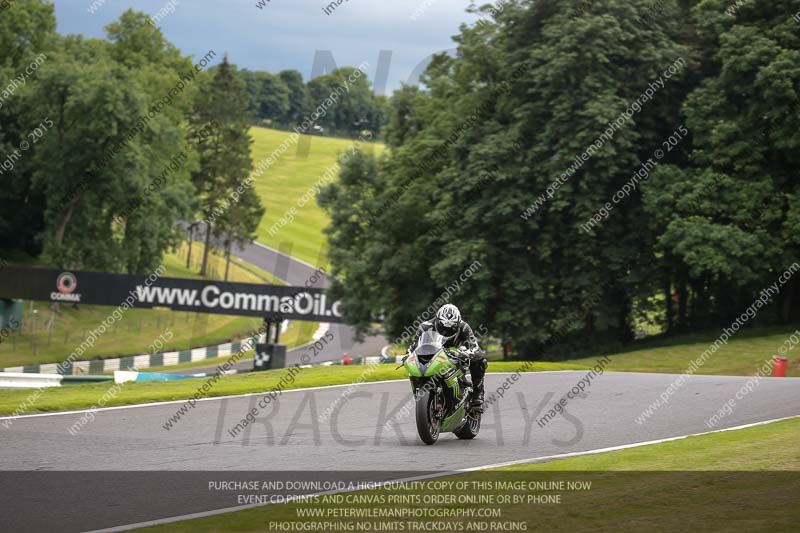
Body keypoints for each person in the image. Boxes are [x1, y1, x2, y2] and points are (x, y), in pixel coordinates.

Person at [415, 304, 487, 411]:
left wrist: (467, 353)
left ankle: (478, 395)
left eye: (451, 328)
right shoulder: (425, 326)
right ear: (437, 320)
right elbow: (414, 346)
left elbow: (475, 347)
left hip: (457, 355)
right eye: (443, 327)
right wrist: (408, 355)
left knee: (480, 360)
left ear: (457, 323)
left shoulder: (464, 327)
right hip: (433, 356)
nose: (446, 331)